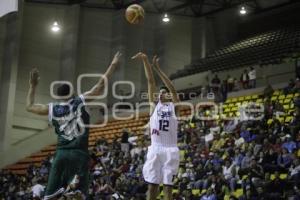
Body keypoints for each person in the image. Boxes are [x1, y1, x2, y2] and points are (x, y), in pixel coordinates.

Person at [26, 52, 121, 199]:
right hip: (79, 155)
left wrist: (32, 86)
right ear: (72, 93)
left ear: (59, 96)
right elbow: (100, 85)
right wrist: (113, 64)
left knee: (50, 196)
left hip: (61, 155)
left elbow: (30, 106)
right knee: (78, 195)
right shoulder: (80, 101)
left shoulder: (52, 108)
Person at [132, 52, 182, 200]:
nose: (161, 94)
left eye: (163, 93)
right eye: (159, 93)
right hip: (156, 147)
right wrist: (145, 61)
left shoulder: (175, 107)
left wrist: (159, 69)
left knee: (168, 186)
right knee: (152, 185)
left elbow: (172, 88)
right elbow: (150, 81)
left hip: (170, 148)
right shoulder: (154, 106)